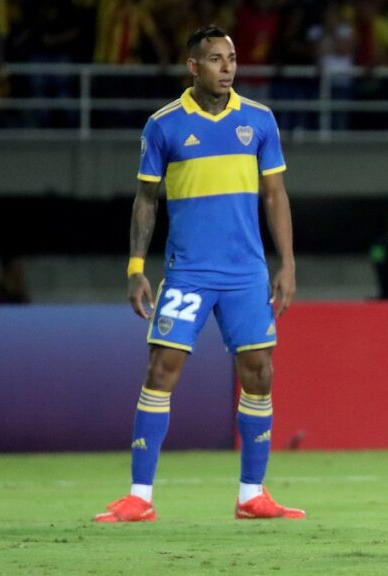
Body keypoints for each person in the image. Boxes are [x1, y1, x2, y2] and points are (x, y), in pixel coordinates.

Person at [94, 25, 303, 523]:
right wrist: (136, 268)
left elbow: (275, 195)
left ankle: (252, 495)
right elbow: (146, 199)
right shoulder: (164, 125)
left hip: (246, 274)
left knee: (260, 374)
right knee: (160, 370)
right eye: (215, 58)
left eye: (231, 57)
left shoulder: (259, 120)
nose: (227, 66)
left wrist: (288, 263)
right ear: (194, 67)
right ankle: (139, 497)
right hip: (187, 273)